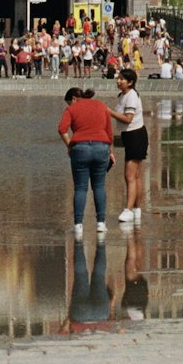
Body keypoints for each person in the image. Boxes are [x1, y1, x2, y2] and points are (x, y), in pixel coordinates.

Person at [57, 87, 114, 238]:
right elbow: (109, 132)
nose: (69, 106)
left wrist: (70, 145)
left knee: (81, 188)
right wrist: (110, 152)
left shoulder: (72, 109)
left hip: (80, 148)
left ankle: (78, 225)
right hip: (102, 147)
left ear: (75, 99)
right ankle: (101, 223)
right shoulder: (101, 105)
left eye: (69, 103)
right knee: (99, 186)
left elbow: (62, 129)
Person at [108, 68, 147, 224]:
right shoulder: (123, 95)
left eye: (122, 79)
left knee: (129, 175)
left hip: (135, 135)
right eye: (118, 78)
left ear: (130, 82)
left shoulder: (131, 96)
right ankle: (137, 208)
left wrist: (108, 111)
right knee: (135, 175)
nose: (118, 81)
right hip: (131, 135)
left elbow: (127, 118)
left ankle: (128, 209)